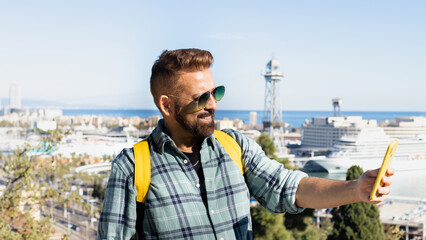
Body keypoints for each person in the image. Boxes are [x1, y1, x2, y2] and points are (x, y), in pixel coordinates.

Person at [97, 48, 394, 240]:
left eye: (217, 93)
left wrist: (356, 189)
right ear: (166, 105)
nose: (213, 104)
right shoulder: (134, 166)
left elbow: (290, 188)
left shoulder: (235, 147)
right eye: (201, 98)